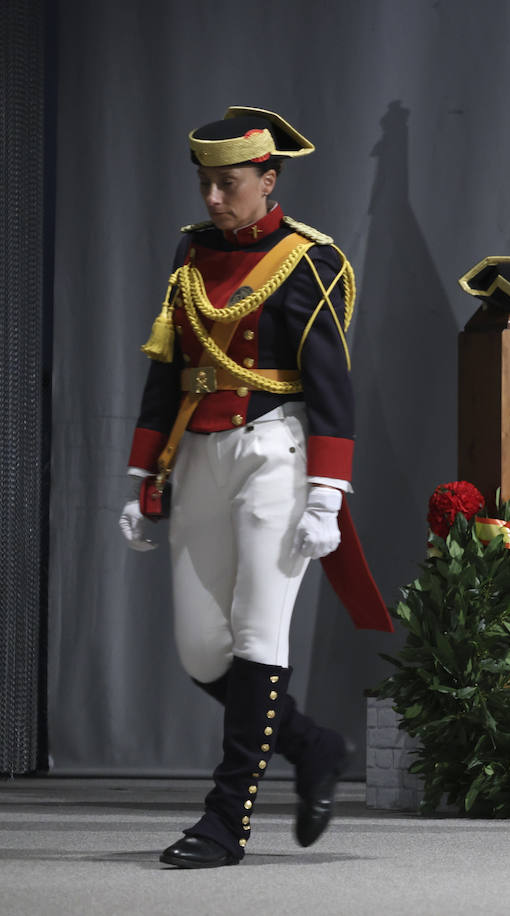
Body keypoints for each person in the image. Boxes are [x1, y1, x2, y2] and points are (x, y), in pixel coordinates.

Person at [118, 106, 391, 868]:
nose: (212, 199)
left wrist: (327, 493)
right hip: (199, 452)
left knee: (256, 634)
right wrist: (143, 472)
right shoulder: (192, 253)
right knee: (202, 652)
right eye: (205, 183)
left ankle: (225, 819)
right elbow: (166, 368)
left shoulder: (312, 259)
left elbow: (332, 384)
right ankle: (314, 746)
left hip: (278, 452)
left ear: (267, 180)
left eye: (227, 184)